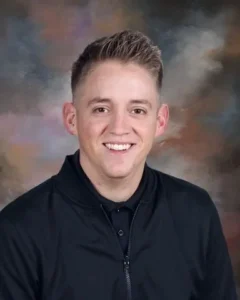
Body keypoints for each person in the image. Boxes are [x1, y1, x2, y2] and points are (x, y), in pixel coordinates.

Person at [0, 30, 237, 300]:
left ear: (159, 121)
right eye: (101, 109)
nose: (119, 128)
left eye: (137, 110)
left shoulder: (195, 211)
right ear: (71, 118)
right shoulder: (17, 230)